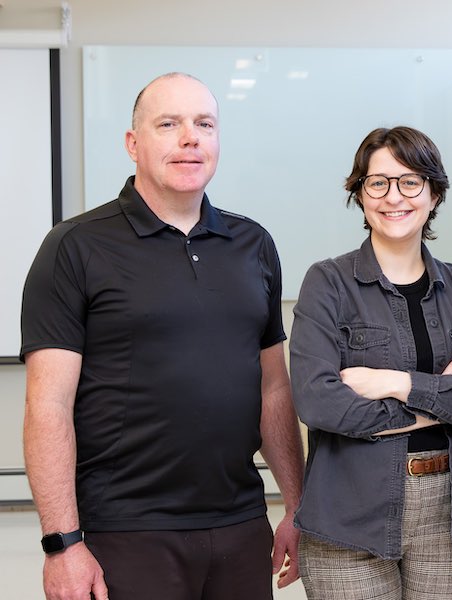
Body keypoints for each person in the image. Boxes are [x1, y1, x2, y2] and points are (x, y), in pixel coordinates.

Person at [20, 72, 305, 600]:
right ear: (133, 144)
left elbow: (273, 388)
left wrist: (296, 506)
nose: (189, 138)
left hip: (241, 524)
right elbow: (48, 406)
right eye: (168, 124)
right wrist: (63, 544)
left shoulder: (254, 245)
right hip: (124, 532)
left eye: (204, 124)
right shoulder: (75, 247)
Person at [289, 126, 452, 600]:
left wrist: (395, 382)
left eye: (410, 182)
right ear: (359, 195)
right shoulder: (327, 283)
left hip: (449, 514)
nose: (393, 197)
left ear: (434, 192)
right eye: (377, 182)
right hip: (348, 517)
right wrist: (438, 401)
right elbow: (318, 401)